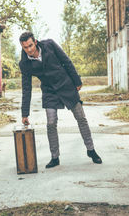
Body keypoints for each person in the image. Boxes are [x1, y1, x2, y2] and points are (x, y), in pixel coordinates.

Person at [18, 31, 102, 168]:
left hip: (66, 85)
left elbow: (66, 61)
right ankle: (55, 157)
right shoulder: (25, 64)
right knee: (51, 123)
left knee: (81, 118)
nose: (29, 50)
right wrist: (24, 114)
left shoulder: (50, 45)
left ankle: (91, 150)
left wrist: (76, 80)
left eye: (30, 45)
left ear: (35, 42)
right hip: (49, 91)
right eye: (25, 47)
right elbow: (26, 89)